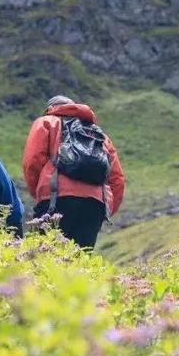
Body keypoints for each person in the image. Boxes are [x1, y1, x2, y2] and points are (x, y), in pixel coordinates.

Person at [22, 95, 125, 249]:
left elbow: (33, 161)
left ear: (50, 109)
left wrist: (40, 192)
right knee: (80, 260)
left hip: (55, 199)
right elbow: (117, 179)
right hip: (95, 204)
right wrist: (106, 208)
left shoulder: (46, 122)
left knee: (43, 256)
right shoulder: (100, 135)